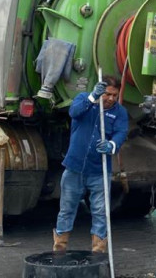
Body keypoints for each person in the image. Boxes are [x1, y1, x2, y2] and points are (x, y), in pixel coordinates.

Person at [53, 76, 128, 253]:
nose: (111, 99)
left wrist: (112, 145)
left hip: (99, 171)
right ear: (100, 90)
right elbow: (74, 112)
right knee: (66, 209)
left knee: (101, 212)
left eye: (114, 95)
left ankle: (98, 251)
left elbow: (121, 132)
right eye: (107, 94)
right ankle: (59, 248)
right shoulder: (84, 100)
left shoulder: (119, 112)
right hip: (74, 168)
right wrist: (93, 97)